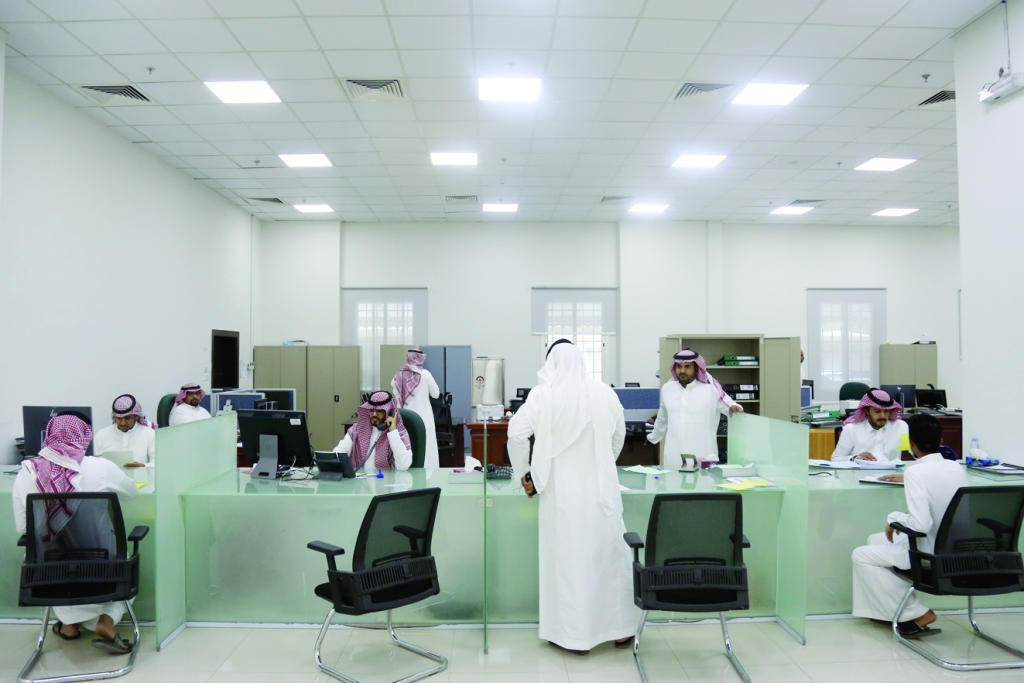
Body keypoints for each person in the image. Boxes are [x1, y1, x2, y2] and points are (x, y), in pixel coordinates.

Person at [507, 339, 638, 654]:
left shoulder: (543, 395)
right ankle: (620, 630)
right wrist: (603, 462)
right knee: (609, 558)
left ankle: (571, 636)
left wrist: (525, 474)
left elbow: (516, 433)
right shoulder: (604, 393)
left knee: (567, 563)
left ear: (550, 364)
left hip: (561, 495)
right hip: (602, 491)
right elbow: (618, 436)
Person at [12, 412, 138, 652]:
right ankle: (107, 620)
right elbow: (132, 493)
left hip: (48, 576)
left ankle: (69, 625)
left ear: (49, 434)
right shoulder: (100, 467)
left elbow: (23, 528)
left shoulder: (27, 472)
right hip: (104, 569)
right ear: (84, 437)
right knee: (129, 565)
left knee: (52, 558)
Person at [850, 413, 967, 637]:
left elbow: (921, 524)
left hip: (931, 552)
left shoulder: (914, 472)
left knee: (860, 555)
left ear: (911, 443)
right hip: (956, 547)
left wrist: (894, 518)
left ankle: (917, 613)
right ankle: (888, 612)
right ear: (941, 441)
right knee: (875, 540)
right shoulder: (955, 468)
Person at [647, 348, 742, 468]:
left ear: (696, 368)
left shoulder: (711, 389)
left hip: (704, 455)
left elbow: (730, 406)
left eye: (687, 366)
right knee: (672, 479)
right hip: (674, 456)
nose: (682, 370)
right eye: (679, 366)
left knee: (704, 480)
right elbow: (662, 418)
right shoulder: (667, 389)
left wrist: (735, 408)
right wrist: (653, 437)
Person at [332, 391, 412, 473]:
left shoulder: (398, 433)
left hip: (386, 479)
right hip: (360, 479)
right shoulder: (356, 430)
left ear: (389, 413)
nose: (374, 414)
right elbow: (340, 451)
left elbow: (403, 465)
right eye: (371, 410)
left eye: (379, 411)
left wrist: (393, 431)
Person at [392, 348, 441, 468]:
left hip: (403, 419)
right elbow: (436, 394)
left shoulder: (398, 375)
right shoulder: (425, 374)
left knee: (406, 447)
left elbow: (395, 393)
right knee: (427, 449)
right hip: (424, 419)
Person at [831, 388, 909, 463]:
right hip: (860, 472)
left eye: (886, 411)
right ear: (866, 411)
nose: (882, 416)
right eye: (877, 411)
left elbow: (908, 455)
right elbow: (835, 459)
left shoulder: (901, 427)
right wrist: (856, 458)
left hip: (892, 472)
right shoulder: (851, 429)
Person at [93, 394, 155, 467]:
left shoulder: (149, 434)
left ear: (136, 417)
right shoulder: (101, 435)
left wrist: (143, 466)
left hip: (141, 474)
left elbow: (158, 464)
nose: (123, 423)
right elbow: (94, 463)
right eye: (119, 418)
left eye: (127, 418)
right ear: (114, 417)